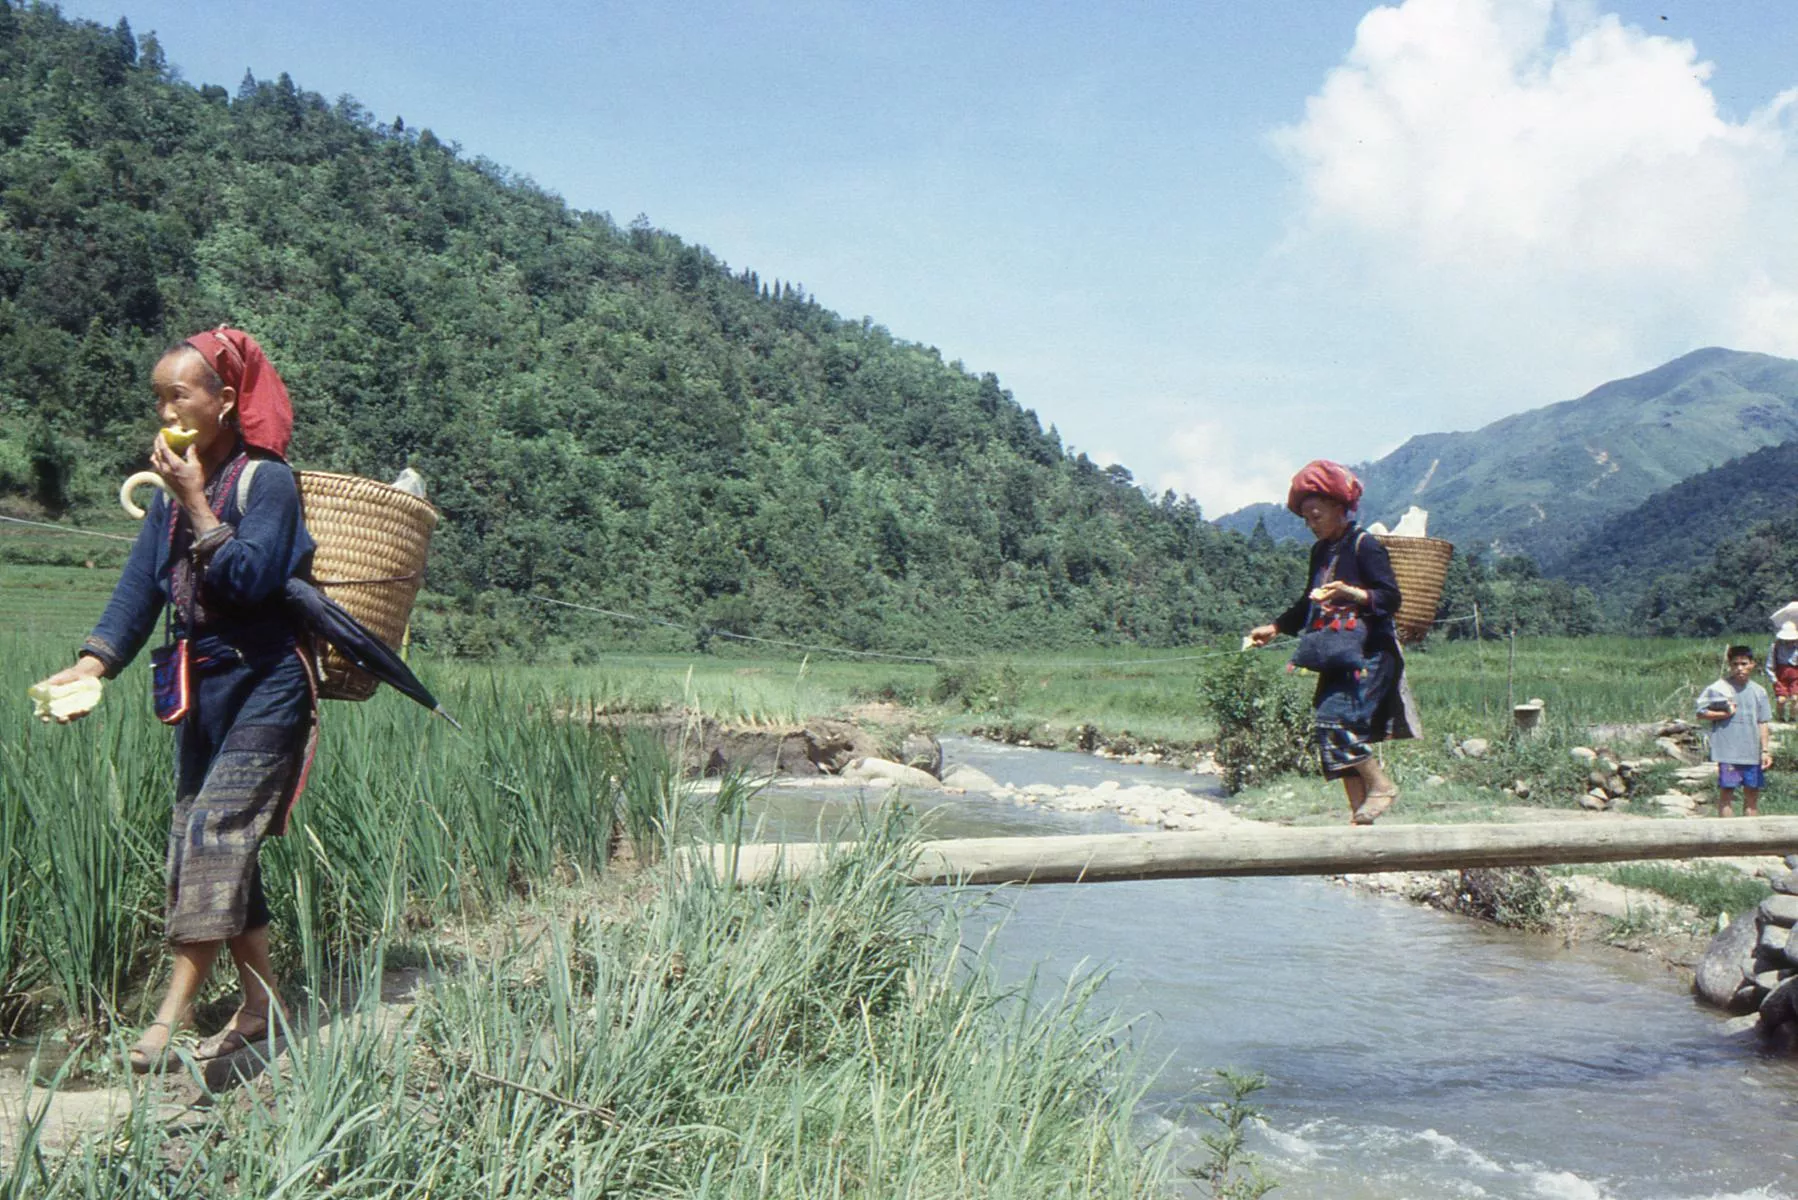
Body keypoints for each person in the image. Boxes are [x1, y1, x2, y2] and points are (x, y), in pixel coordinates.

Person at [29, 328, 316, 1071]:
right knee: (206, 837)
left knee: (215, 835)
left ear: (224, 401)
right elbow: (141, 587)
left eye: (179, 395)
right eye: (158, 397)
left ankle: (171, 1013)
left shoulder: (268, 484)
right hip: (202, 687)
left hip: (269, 684)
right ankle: (262, 1004)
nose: (165, 410)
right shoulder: (170, 489)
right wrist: (90, 665)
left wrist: (194, 502)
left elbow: (250, 579)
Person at [1247, 460, 1420, 824]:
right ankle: (1359, 820)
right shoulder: (1321, 552)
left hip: (1370, 654)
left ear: (1339, 507)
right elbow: (1307, 602)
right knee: (1328, 734)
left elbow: (1390, 599)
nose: (1312, 525)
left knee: (1336, 722)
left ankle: (1381, 786)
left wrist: (1351, 593)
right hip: (1336, 654)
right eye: (1306, 519)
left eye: (1316, 515)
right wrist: (1275, 627)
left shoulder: (1365, 546)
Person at [1696, 645, 1772, 818]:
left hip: (1751, 751)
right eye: (1735, 664)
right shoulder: (1719, 688)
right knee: (1726, 794)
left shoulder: (1759, 691)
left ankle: (1751, 833)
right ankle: (1726, 833)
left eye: (1744, 664)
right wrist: (1724, 714)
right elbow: (1700, 713)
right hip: (1728, 751)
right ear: (1729, 665)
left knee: (1752, 795)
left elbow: (1763, 722)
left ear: (1752, 664)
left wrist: (1765, 750)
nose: (1739, 668)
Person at [1767, 622, 1798, 723]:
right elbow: (1769, 665)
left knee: (1795, 698)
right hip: (1780, 678)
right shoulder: (1775, 647)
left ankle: (1792, 718)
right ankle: (1780, 718)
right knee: (1781, 700)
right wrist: (1774, 680)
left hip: (1795, 677)